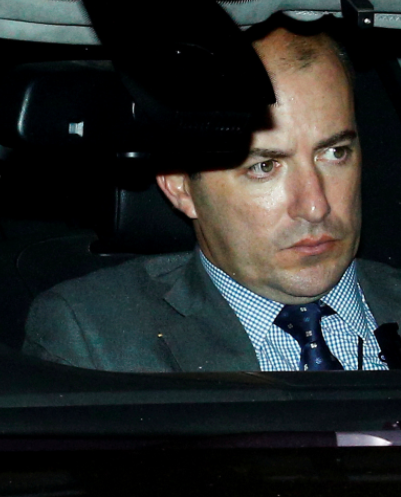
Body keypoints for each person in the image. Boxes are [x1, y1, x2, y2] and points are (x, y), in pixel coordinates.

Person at [23, 20, 401, 372]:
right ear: (179, 184)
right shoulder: (95, 341)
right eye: (264, 167)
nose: (316, 206)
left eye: (335, 153)